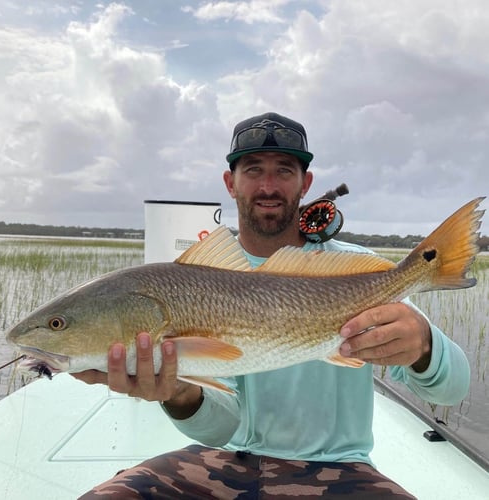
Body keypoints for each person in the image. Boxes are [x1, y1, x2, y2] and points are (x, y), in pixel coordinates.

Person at [76, 112, 470, 499]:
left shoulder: (355, 272)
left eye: (284, 170)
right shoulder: (195, 279)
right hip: (222, 461)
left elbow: (454, 388)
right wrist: (178, 391)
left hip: (340, 469)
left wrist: (423, 347)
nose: (268, 185)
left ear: (305, 182)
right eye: (252, 170)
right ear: (230, 183)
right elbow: (220, 428)